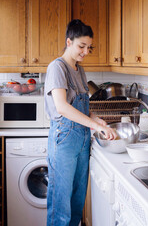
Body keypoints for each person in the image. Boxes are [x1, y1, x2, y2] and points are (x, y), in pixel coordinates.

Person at [44, 19, 117, 226]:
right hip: (65, 139)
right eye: (81, 46)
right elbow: (62, 107)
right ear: (69, 42)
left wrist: (95, 118)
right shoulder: (57, 68)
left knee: (77, 203)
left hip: (82, 139)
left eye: (88, 47)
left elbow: (80, 105)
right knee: (61, 208)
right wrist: (95, 125)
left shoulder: (79, 69)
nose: (85, 51)